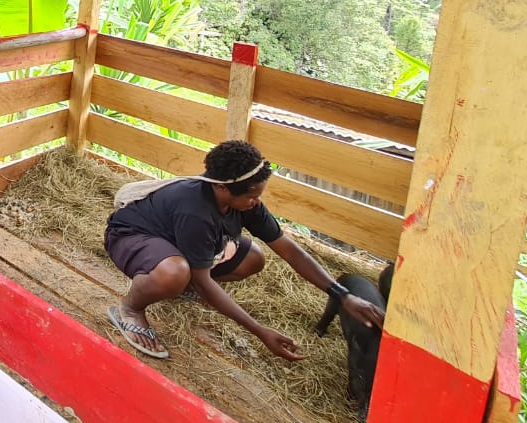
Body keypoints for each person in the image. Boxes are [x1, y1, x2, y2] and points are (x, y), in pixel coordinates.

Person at [103, 140, 384, 361]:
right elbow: (204, 281)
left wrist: (342, 295)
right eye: (251, 195)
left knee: (253, 258)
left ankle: (176, 282)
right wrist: (260, 332)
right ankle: (130, 308)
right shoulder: (195, 210)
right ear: (224, 188)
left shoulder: (245, 202)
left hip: (178, 243)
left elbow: (289, 249)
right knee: (174, 273)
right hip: (132, 237)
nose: (255, 202)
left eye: (258, 195)